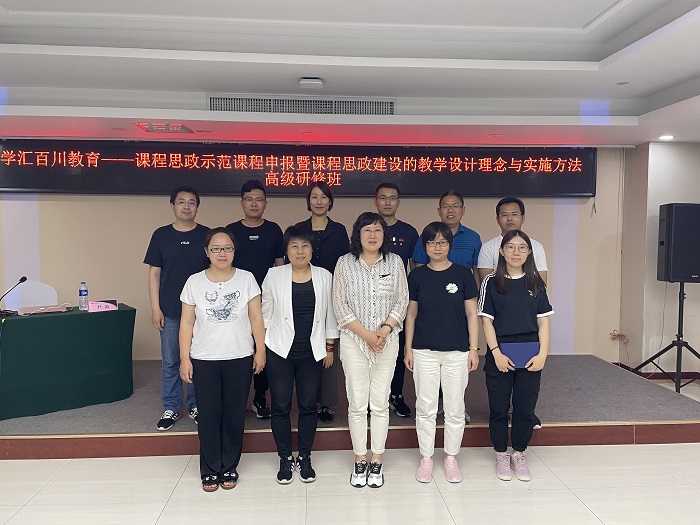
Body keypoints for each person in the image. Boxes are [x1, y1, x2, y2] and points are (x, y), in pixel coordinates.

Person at [179, 227, 266, 492]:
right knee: (208, 415)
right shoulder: (194, 282)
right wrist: (184, 358)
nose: (222, 253)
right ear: (206, 252)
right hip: (204, 357)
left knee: (233, 414)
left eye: (227, 248)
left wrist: (260, 350)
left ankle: (229, 465)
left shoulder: (246, 279)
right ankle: (209, 468)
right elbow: (186, 322)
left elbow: (256, 317)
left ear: (234, 251)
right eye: (216, 249)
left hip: (239, 355)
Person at [333, 212, 409, 488]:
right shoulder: (344, 263)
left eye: (378, 230)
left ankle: (377, 458)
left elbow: (402, 299)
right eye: (367, 230)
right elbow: (339, 304)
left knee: (380, 403)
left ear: (384, 235)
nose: (373, 235)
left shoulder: (395, 261)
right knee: (357, 403)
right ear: (358, 234)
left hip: (387, 341)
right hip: (354, 341)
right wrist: (366, 335)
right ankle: (360, 458)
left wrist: (384, 331)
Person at [262, 225, 339, 484]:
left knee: (308, 406)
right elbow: (265, 314)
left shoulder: (324, 276)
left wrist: (329, 347)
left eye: (305, 246)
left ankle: (305, 456)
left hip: (311, 352)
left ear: (312, 249)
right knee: (281, 406)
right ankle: (285, 457)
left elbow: (330, 313)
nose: (300, 251)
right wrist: (262, 347)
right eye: (294, 246)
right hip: (279, 351)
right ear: (286, 251)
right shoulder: (274, 275)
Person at [404, 222, 480, 484]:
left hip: (457, 351)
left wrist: (473, 349)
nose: (437, 247)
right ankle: (426, 457)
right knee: (425, 406)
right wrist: (408, 349)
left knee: (455, 407)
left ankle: (450, 457)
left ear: (450, 245)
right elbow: (411, 314)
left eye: (442, 242)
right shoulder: (417, 276)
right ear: (424, 246)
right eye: (431, 242)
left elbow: (472, 314)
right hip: (423, 350)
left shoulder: (463, 274)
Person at [478, 230, 553, 482]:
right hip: (500, 351)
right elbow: (487, 321)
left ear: (529, 252)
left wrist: (542, 354)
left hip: (530, 352)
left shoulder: (535, 282)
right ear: (501, 251)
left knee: (525, 407)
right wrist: (496, 353)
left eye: (522, 248)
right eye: (510, 247)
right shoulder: (491, 281)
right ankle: (501, 453)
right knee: (499, 407)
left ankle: (519, 453)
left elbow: (543, 322)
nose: (516, 252)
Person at [477, 197, 548, 430]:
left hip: (528, 331)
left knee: (526, 392)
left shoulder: (536, 246)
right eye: (504, 214)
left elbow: (539, 287)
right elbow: (491, 284)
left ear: (523, 218)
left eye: (514, 214)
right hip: (501, 330)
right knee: (499, 393)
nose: (510, 218)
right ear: (497, 218)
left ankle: (525, 420)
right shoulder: (488, 247)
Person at [411, 189, 481, 423]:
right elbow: (418, 271)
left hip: (458, 314)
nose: (437, 247)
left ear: (463, 210)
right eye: (446, 206)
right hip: (430, 318)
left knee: (455, 398)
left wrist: (474, 347)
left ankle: (453, 409)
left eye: (455, 205)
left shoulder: (473, 238)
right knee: (426, 401)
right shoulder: (419, 270)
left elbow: (476, 272)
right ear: (439, 210)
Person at [144, 186, 209, 431]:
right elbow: (154, 274)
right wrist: (155, 308)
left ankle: (196, 404)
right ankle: (171, 406)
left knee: (198, 359)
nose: (186, 206)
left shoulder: (207, 235)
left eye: (192, 202)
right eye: (181, 202)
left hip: (202, 312)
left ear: (197, 207)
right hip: (170, 310)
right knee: (171, 361)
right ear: (172, 205)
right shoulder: (161, 235)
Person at [226, 179, 284, 420]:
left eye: (259, 200)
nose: (254, 204)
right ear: (241, 203)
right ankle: (238, 398)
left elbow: (280, 266)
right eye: (249, 199)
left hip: (266, 303)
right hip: (236, 302)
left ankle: (260, 398)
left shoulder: (274, 230)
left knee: (263, 349)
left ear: (265, 204)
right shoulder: (231, 231)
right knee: (239, 351)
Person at [296, 181, 349, 424]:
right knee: (305, 347)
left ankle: (325, 402)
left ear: (330, 201)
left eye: (323, 197)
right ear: (308, 201)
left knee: (328, 347)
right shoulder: (299, 229)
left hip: (330, 294)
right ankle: (307, 400)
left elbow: (346, 263)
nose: (319, 201)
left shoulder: (339, 230)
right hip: (302, 293)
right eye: (314, 196)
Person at [374, 182, 419, 418]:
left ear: (398, 202)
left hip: (399, 302)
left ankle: (396, 395)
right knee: (372, 347)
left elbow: (416, 269)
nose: (388, 202)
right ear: (375, 201)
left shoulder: (409, 232)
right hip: (370, 302)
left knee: (398, 350)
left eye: (392, 198)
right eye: (383, 198)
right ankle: (374, 397)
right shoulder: (368, 228)